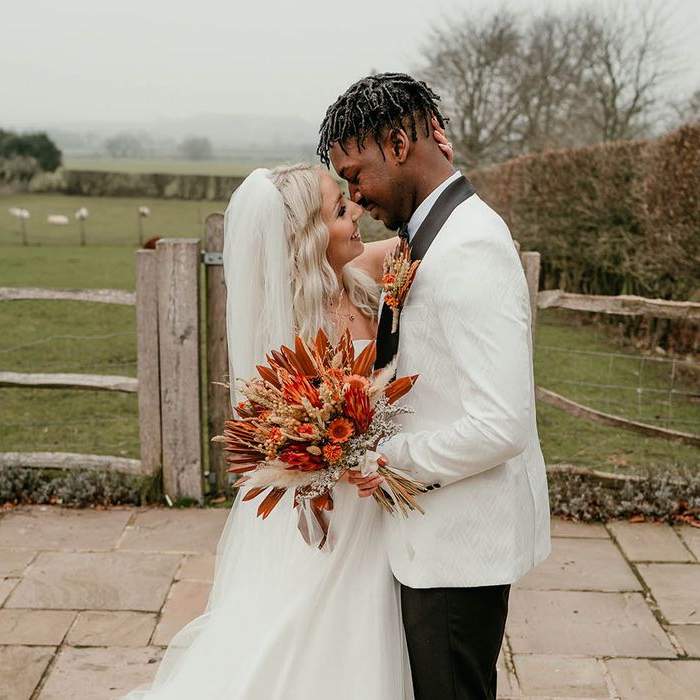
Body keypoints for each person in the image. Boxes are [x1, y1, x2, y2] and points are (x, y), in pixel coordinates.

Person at [121, 121, 453, 699]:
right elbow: (287, 430)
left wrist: (442, 158)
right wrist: (328, 452)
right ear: (306, 235)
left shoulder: (358, 273)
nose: (356, 214)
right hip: (339, 502)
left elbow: (418, 234)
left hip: (375, 493)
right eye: (340, 210)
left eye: (349, 201)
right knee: (315, 630)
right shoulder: (295, 328)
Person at [319, 72, 552, 700]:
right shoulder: (432, 234)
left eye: (355, 171)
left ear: (398, 145)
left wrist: (388, 460)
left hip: (457, 545)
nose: (355, 192)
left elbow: (502, 424)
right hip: (436, 535)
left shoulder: (467, 245)